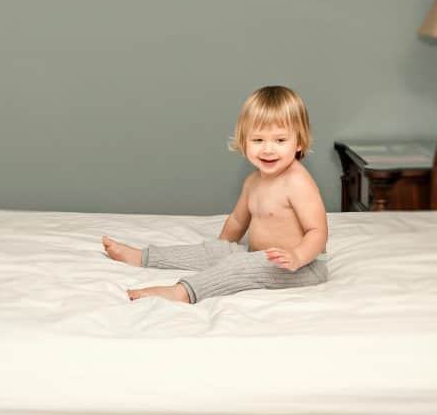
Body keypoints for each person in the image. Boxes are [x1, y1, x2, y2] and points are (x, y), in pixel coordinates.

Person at [103, 85, 329, 303]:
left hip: (301, 267)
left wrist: (298, 257)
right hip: (262, 256)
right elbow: (238, 220)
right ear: (244, 141)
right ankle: (144, 257)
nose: (268, 149)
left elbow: (317, 231)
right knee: (219, 252)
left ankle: (182, 292)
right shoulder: (253, 181)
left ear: (298, 142)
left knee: (238, 267)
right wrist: (218, 250)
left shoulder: (298, 182)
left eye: (280, 140)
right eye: (258, 140)